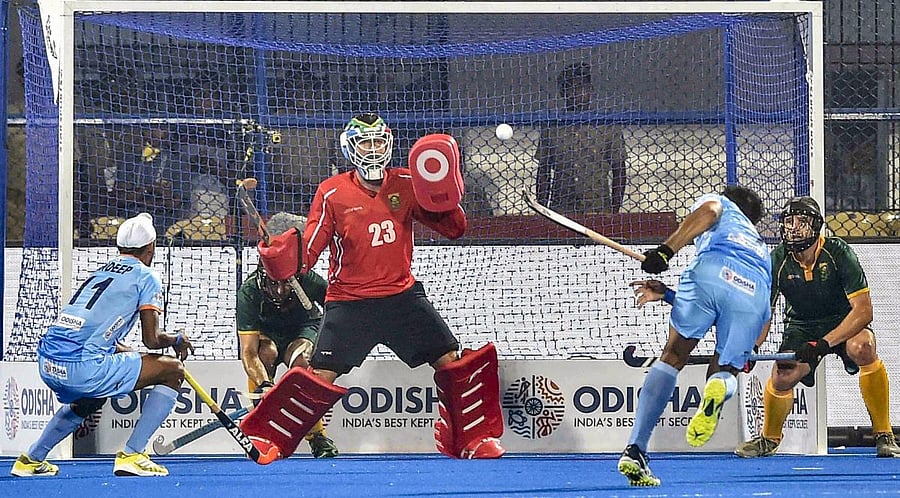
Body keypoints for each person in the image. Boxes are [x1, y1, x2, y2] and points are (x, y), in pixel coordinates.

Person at [256, 113, 505, 459]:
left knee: (451, 361)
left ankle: (469, 440)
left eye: (378, 141)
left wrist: (447, 195)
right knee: (319, 375)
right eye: (364, 142)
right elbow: (309, 251)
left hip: (402, 297)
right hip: (350, 302)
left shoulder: (407, 181)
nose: (372, 149)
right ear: (350, 148)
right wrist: (280, 254)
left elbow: (454, 229)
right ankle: (274, 441)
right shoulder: (331, 192)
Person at [10, 213, 195, 477]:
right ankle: (133, 454)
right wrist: (177, 339)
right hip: (82, 368)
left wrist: (124, 352)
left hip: (48, 363)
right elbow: (152, 340)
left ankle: (32, 459)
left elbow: (93, 335)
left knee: (93, 397)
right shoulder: (146, 276)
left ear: (119, 247)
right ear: (151, 247)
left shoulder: (101, 272)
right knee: (173, 370)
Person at [617, 185, 771, 487]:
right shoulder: (761, 248)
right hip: (754, 294)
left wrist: (666, 251)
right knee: (725, 369)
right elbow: (759, 316)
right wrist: (669, 295)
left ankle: (636, 449)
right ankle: (717, 385)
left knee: (672, 357)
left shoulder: (723, 205)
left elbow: (710, 211)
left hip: (710, 273)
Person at [734, 196, 900, 458]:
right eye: (788, 222)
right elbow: (764, 313)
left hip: (842, 322)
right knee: (782, 376)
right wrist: (751, 346)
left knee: (864, 347)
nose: (794, 228)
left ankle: (884, 435)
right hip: (801, 326)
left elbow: (864, 311)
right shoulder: (776, 259)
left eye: (802, 222)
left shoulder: (838, 252)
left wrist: (823, 344)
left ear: (817, 226)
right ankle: (768, 439)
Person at [236, 211, 338, 458]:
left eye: (286, 284)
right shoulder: (249, 292)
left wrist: (326, 342)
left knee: (302, 363)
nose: (280, 290)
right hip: (268, 337)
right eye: (274, 284)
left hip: (301, 331)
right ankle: (262, 433)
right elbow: (248, 353)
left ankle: (317, 437)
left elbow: (336, 308)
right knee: (265, 353)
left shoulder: (308, 279)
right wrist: (265, 385)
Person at [535, 62, 627, 213]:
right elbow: (544, 170)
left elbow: (619, 169)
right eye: (571, 88)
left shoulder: (606, 125)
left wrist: (614, 210)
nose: (577, 93)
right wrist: (542, 210)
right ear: (563, 93)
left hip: (598, 207)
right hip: (561, 209)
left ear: (590, 90)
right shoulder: (552, 127)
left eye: (582, 87)